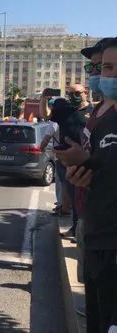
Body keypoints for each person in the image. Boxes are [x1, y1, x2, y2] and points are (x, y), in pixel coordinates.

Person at [61, 37, 117, 332]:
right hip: (94, 228)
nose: (102, 75)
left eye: (106, 67)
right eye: (99, 67)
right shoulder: (100, 115)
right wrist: (80, 165)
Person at [41, 83, 93, 240]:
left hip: (87, 161)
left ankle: (84, 230)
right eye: (70, 93)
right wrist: (44, 99)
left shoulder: (93, 111)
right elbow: (46, 115)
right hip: (66, 162)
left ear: (85, 93)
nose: (74, 96)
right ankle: (75, 227)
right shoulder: (64, 110)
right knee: (72, 196)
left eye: (77, 93)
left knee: (86, 197)